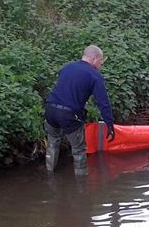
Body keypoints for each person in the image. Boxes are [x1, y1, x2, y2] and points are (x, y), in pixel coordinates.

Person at [44, 45, 115, 176]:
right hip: (69, 114)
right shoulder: (95, 76)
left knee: (53, 142)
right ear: (94, 59)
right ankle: (82, 187)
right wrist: (109, 124)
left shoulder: (67, 67)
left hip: (50, 109)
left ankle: (49, 175)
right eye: (101, 61)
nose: (101, 65)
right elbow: (103, 103)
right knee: (78, 150)